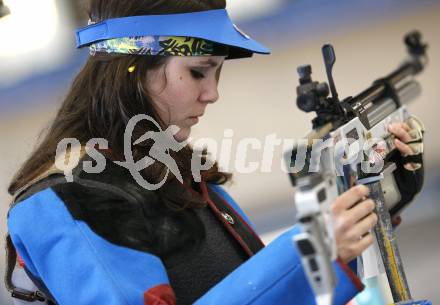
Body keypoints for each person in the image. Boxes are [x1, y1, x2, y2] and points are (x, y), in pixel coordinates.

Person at [5, 1, 424, 305]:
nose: (213, 93)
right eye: (197, 71)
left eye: (216, 72)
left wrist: (374, 200)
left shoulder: (179, 178)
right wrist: (314, 248)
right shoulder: (65, 201)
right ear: (131, 70)